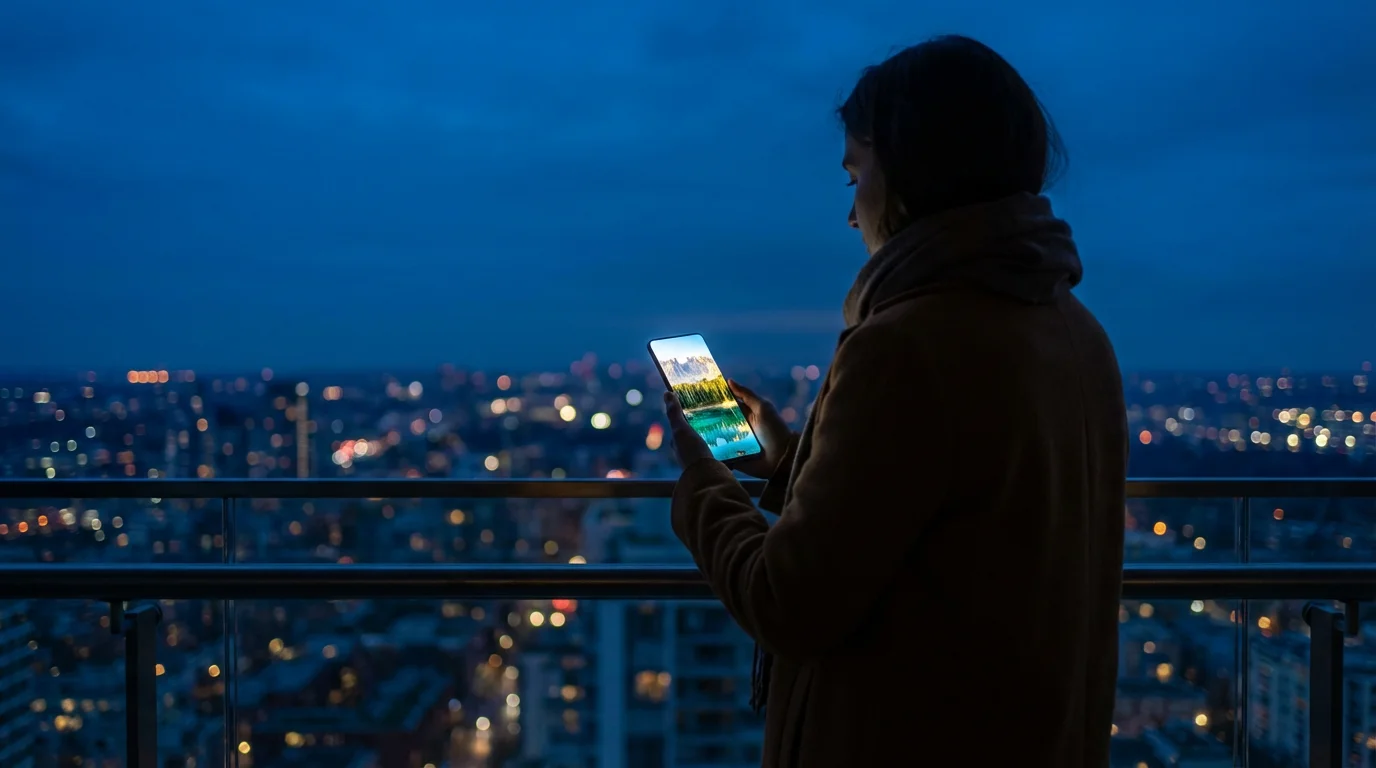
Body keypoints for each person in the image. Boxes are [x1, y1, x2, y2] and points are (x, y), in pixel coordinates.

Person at [663, 35, 1128, 767]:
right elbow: (955, 524)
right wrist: (793, 462)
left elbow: (789, 603)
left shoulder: (905, 347)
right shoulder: (1076, 332)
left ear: (910, 171)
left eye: (855, 177)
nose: (853, 217)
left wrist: (703, 483)